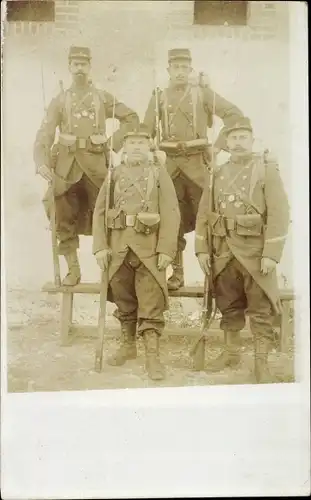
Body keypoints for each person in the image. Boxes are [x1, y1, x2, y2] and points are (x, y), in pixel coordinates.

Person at [195, 117, 290, 383]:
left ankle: (262, 363)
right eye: (233, 138)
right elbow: (204, 213)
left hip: (255, 254)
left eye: (242, 138)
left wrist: (271, 254)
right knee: (228, 305)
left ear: (251, 140)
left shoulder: (266, 170)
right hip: (223, 252)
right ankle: (231, 353)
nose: (237, 143)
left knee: (260, 310)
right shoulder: (218, 173)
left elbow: (279, 213)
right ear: (226, 143)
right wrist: (202, 249)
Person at [34, 45, 139, 285]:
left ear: (90, 67)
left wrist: (113, 143)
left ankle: (112, 270)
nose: (80, 68)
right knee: (61, 212)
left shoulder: (103, 98)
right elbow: (45, 133)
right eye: (75, 64)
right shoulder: (59, 101)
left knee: (108, 215)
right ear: (70, 67)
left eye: (84, 64)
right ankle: (73, 268)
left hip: (96, 167)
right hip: (66, 168)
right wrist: (41, 161)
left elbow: (131, 117)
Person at [143, 47, 243, 290]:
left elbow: (234, 115)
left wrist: (218, 146)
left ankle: (215, 273)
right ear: (169, 70)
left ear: (190, 70)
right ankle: (176, 274)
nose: (180, 72)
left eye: (184, 68)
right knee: (170, 220)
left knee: (211, 218)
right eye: (175, 68)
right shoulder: (159, 97)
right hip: (170, 168)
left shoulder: (203, 94)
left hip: (198, 166)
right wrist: (150, 150)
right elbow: (145, 129)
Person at [92, 124, 180, 381]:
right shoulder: (114, 174)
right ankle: (128, 346)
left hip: (149, 250)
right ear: (125, 147)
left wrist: (166, 249)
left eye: (142, 143)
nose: (137, 147)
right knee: (124, 300)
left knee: (151, 303)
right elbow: (99, 213)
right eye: (132, 143)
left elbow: (172, 213)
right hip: (118, 248)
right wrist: (99, 247)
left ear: (149, 146)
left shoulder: (159, 174)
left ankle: (152, 356)